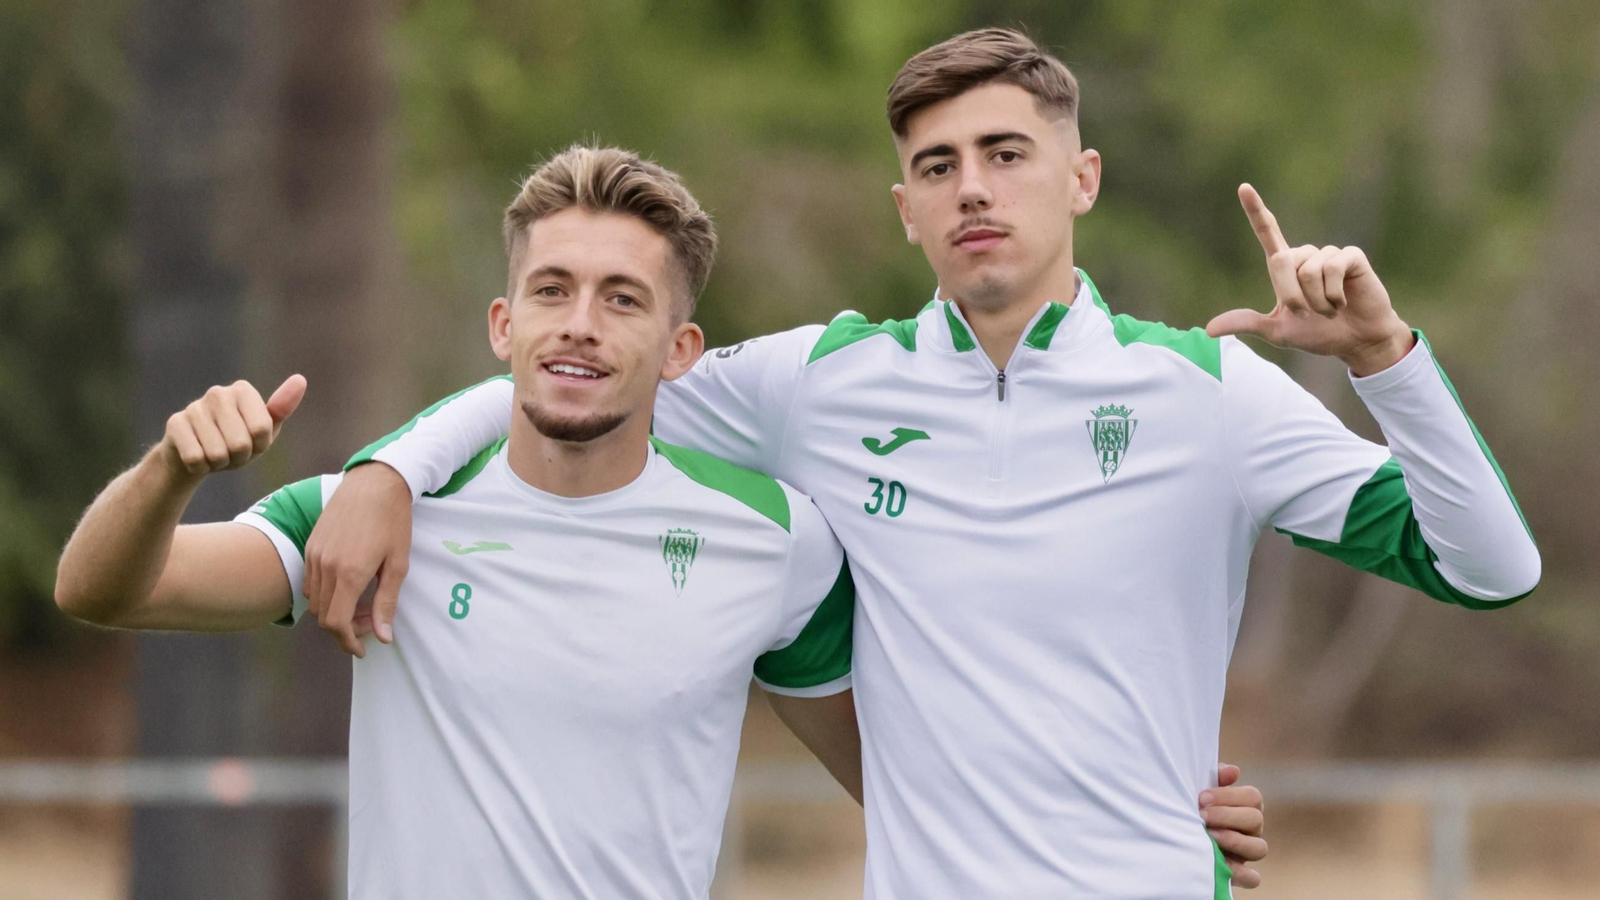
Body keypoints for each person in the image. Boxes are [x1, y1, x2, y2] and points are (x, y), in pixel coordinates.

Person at [306, 26, 1553, 897]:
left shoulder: (1210, 393)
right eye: (937, 167)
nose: (972, 190)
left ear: (1081, 178)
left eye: (1007, 154)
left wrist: (1385, 358)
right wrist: (388, 472)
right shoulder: (818, 384)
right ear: (904, 208)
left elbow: (1490, 566)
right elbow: (573, 379)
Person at [54, 147, 871, 898]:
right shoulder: (371, 515)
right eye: (551, 289)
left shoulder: (777, 540)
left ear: (680, 348)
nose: (580, 322)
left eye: (623, 299)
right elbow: (99, 590)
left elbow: (894, 785)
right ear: (503, 325)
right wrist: (168, 472)